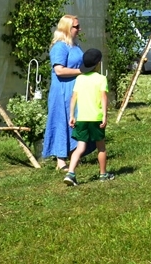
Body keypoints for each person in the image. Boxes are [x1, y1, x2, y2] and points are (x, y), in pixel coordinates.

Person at [63, 49, 113, 185]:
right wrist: (104, 116)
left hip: (82, 118)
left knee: (80, 148)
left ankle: (70, 173)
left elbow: (74, 97)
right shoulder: (101, 79)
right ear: (98, 63)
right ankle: (103, 174)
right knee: (101, 147)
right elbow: (103, 98)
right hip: (96, 118)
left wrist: (72, 115)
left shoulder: (80, 79)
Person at [42, 15, 85, 170]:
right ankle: (61, 160)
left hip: (75, 87)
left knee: (77, 119)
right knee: (62, 121)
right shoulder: (60, 47)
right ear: (67, 28)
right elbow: (59, 70)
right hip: (62, 90)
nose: (79, 29)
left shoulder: (75, 45)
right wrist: (80, 71)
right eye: (76, 27)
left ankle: (75, 153)